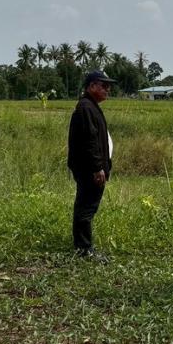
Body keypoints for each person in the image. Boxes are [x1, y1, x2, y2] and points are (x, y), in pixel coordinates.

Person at [67, 69, 117, 259]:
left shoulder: (90, 106)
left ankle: (83, 246)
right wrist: (97, 167)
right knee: (85, 208)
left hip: (91, 168)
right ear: (92, 86)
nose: (107, 90)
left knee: (86, 206)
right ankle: (84, 249)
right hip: (89, 169)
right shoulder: (86, 107)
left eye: (108, 86)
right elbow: (89, 141)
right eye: (104, 85)